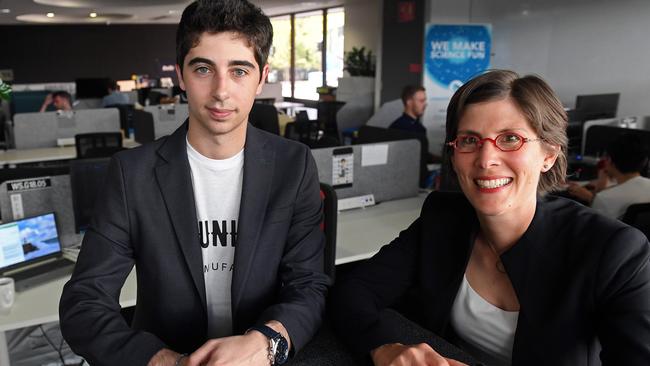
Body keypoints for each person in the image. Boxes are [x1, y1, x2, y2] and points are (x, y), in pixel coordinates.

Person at [59, 1, 330, 366]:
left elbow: (309, 284)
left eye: (239, 71)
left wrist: (267, 342)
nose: (221, 91)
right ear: (181, 76)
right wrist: (160, 360)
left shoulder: (293, 164)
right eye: (204, 69)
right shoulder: (132, 173)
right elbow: (84, 301)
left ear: (262, 78)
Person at [332, 70, 650, 366]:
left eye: (510, 138)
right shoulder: (444, 219)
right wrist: (386, 348)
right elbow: (353, 291)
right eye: (469, 140)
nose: (486, 160)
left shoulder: (614, 251)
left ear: (549, 155)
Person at [567, 133, 650, 219]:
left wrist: (593, 199)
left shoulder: (604, 198)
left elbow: (595, 226)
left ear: (609, 161)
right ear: (644, 161)